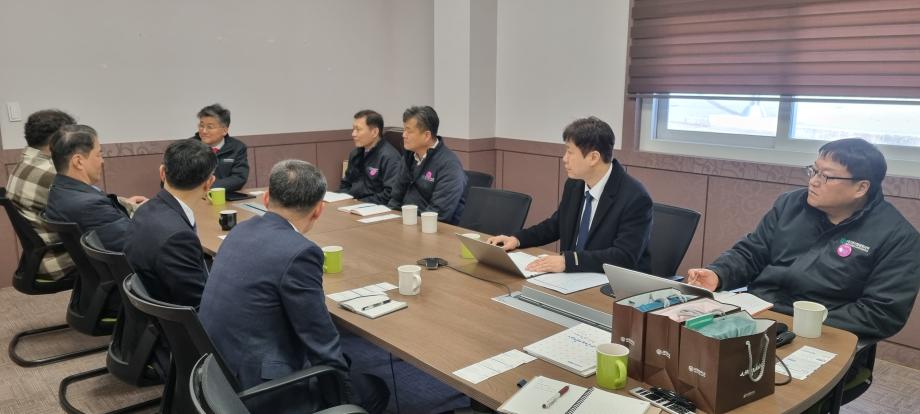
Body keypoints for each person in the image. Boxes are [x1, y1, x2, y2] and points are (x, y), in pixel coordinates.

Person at [198, 160, 388, 414]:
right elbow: (320, 339)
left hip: (217, 375)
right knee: (374, 389)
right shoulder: (300, 252)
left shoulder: (240, 229)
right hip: (258, 390)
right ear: (319, 210)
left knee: (348, 363)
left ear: (266, 198)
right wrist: (345, 401)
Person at [686, 138, 920, 343]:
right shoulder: (791, 204)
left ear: (861, 188)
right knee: (689, 344)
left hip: (823, 331)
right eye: (814, 171)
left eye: (826, 176)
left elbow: (881, 313)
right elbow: (752, 252)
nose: (814, 182)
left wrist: (804, 321)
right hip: (759, 312)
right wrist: (718, 274)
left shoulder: (898, 238)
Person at [487, 116, 653, 274]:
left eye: (570, 152)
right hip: (573, 278)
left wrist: (568, 261)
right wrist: (517, 239)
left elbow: (624, 257)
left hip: (611, 284)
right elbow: (556, 224)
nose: (564, 159)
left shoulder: (635, 197)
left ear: (593, 158)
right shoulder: (575, 185)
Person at [124, 139, 216, 306]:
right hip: (179, 316)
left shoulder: (144, 210)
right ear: (209, 183)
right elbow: (199, 304)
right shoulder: (179, 237)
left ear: (162, 173)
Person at [45, 125, 147, 251]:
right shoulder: (89, 206)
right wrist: (146, 214)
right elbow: (136, 244)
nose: (102, 161)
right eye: (98, 155)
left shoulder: (58, 189)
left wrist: (124, 206)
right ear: (78, 161)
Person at [5, 109, 76, 280]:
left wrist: (121, 202)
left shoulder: (25, 164)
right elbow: (91, 210)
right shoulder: (51, 173)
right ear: (55, 141)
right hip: (62, 259)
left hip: (40, 257)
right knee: (130, 249)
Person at [386, 105, 467, 224]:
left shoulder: (449, 165)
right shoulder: (409, 156)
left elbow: (438, 214)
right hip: (406, 222)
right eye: (404, 130)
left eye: (409, 131)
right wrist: (390, 220)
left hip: (433, 228)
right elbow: (396, 198)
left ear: (427, 135)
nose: (403, 135)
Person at [339, 109, 402, 205]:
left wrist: (360, 202)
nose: (353, 134)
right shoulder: (355, 153)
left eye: (358, 130)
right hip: (351, 204)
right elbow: (345, 184)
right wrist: (343, 199)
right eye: (353, 129)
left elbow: (389, 194)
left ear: (374, 132)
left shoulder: (389, 157)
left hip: (373, 207)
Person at [192, 103, 249, 191]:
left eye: (210, 127)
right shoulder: (188, 147)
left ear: (224, 130)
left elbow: (239, 178)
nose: (204, 131)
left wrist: (209, 187)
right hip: (194, 196)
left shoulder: (237, 148)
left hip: (226, 195)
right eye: (201, 126)